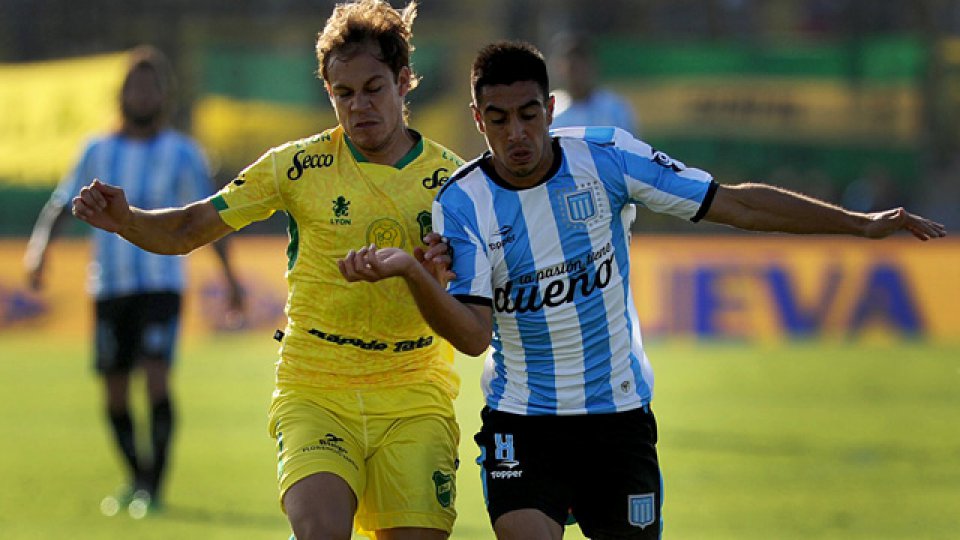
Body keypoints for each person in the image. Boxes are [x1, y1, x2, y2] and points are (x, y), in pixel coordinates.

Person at [337, 40, 947, 539]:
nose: (515, 133)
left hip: (618, 416)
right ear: (478, 119)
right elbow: (472, 339)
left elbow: (733, 204)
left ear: (551, 107)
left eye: (528, 114)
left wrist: (859, 223)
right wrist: (416, 273)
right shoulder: (461, 204)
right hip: (524, 421)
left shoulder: (608, 160)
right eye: (497, 119)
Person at [70, 2, 464, 538]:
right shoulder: (297, 166)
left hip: (414, 391)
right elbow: (190, 228)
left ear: (402, 81)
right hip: (315, 387)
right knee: (320, 529)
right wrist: (126, 219)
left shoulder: (454, 180)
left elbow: (474, 306)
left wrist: (436, 274)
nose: (359, 106)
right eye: (342, 94)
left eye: (373, 88)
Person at [23, 45, 244, 517]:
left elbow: (205, 220)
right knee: (115, 390)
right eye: (133, 86)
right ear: (120, 94)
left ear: (164, 95)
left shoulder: (184, 152)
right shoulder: (96, 150)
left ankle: (153, 489)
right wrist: (40, 250)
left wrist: (231, 277)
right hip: (110, 286)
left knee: (157, 378)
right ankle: (137, 477)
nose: (141, 94)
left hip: (161, 283)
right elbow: (62, 203)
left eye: (150, 86)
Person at [549, 32, 638, 134]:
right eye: (571, 68)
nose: (576, 75)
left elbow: (628, 146)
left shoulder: (614, 108)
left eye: (581, 66)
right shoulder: (550, 111)